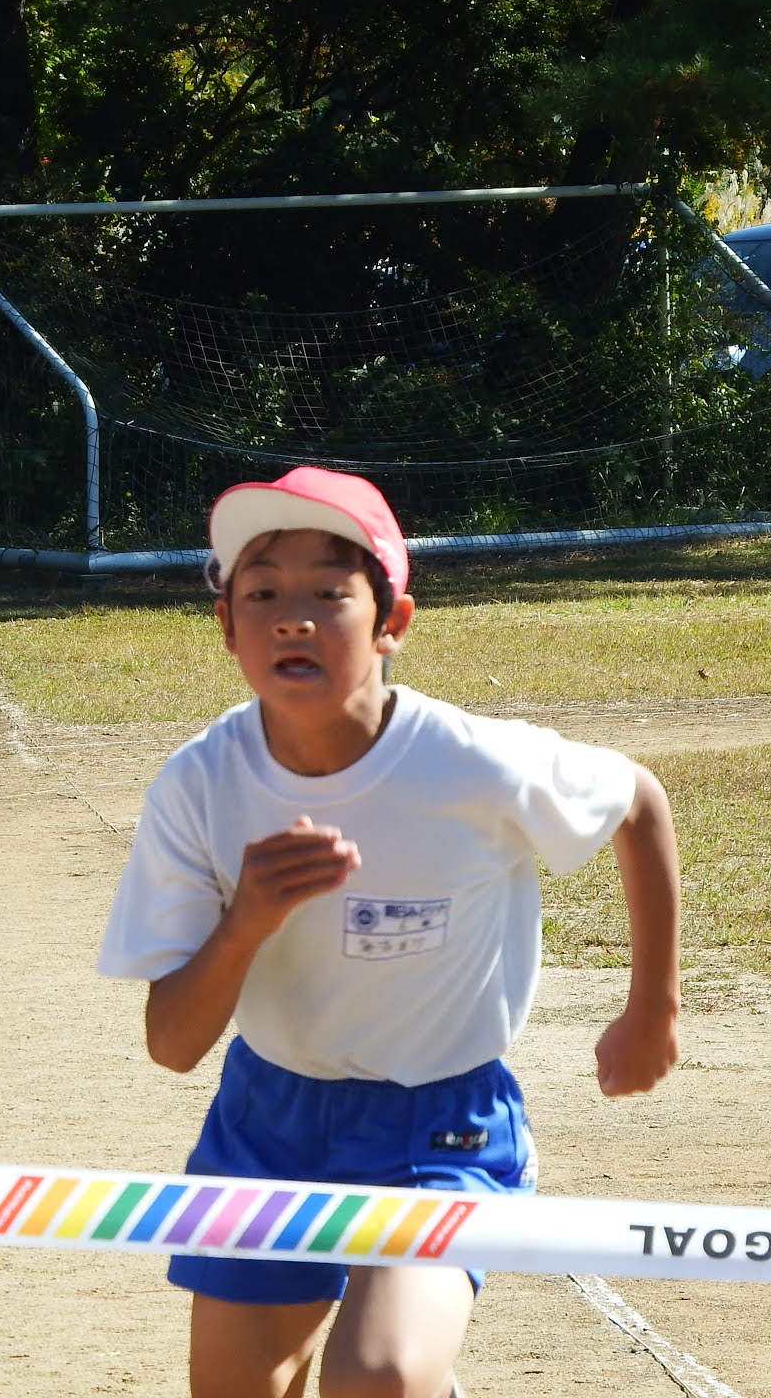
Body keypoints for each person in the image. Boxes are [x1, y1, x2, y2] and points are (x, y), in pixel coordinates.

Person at [97, 466, 680, 1398]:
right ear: (227, 628)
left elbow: (636, 800)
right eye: (262, 593)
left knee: (377, 1380)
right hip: (269, 1122)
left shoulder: (473, 765)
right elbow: (172, 1046)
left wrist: (651, 1008)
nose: (292, 617)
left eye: (329, 593)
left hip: (440, 1125)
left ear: (391, 620)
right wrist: (247, 921)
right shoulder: (199, 784)